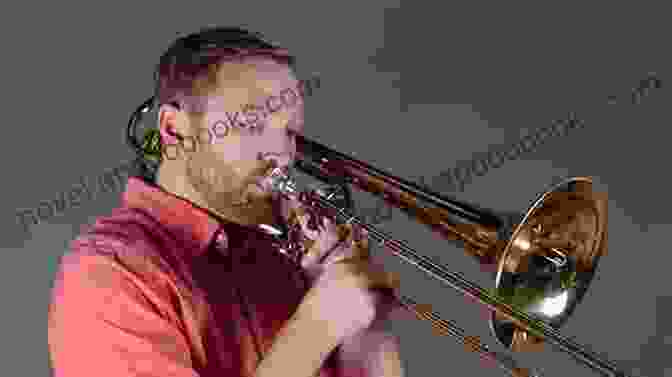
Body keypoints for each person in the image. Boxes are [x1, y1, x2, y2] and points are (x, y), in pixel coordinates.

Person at [47, 26, 404, 377]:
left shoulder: (286, 255)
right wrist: (319, 325)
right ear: (175, 131)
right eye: (250, 124)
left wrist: (364, 324)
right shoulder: (109, 273)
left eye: (290, 132)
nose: (281, 154)